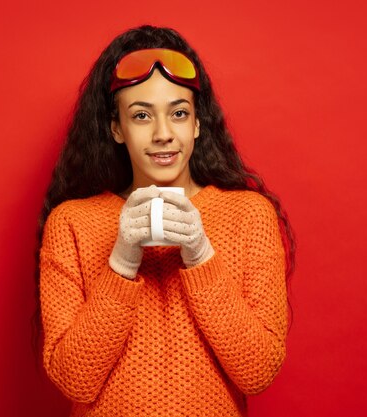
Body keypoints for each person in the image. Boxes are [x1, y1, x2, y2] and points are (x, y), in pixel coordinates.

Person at [35, 25, 295, 416]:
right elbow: (73, 380)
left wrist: (202, 256)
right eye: (141, 115)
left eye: (178, 113)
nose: (163, 134)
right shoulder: (71, 222)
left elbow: (257, 373)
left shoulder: (249, 216)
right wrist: (121, 263)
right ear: (116, 128)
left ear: (197, 123)